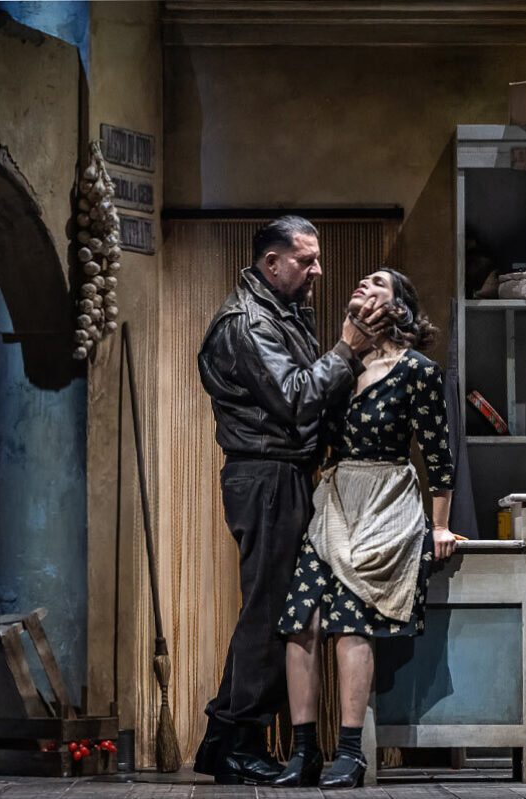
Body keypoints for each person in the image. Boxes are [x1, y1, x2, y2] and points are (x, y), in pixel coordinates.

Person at [194, 216, 388, 785]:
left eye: (317, 258)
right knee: (272, 610)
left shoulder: (284, 312)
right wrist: (348, 349)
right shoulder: (247, 323)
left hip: (284, 474)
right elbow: (298, 397)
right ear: (272, 263)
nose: (318, 270)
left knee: (272, 607)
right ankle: (237, 740)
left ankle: (225, 740)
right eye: (306, 261)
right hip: (267, 477)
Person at [272, 268, 458, 789]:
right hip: (336, 498)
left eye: (377, 283)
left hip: (385, 498)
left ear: (399, 306)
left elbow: (438, 456)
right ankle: (304, 751)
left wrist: (440, 526)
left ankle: (350, 753)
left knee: (352, 619)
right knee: (302, 619)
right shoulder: (340, 365)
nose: (363, 284)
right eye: (362, 281)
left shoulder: (417, 370)